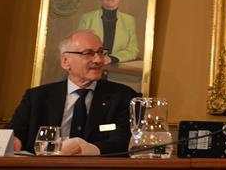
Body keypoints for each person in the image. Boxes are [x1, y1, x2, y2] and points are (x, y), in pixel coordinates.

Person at [8, 30, 139, 155]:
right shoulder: (36, 97)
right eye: (88, 53)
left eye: (100, 52)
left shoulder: (123, 97)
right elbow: (15, 133)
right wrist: (13, 141)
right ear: (66, 61)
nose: (99, 60)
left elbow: (124, 140)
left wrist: (88, 150)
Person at [77, 0, 139, 64]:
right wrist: (97, 58)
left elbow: (133, 50)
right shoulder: (87, 18)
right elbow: (79, 46)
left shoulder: (129, 20)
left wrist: (111, 58)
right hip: (90, 64)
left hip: (117, 68)